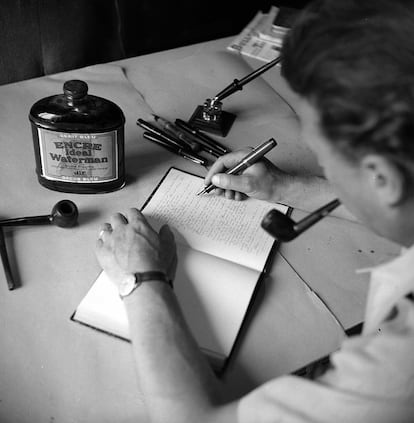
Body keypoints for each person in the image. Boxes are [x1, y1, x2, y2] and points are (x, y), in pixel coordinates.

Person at [95, 0, 414, 421]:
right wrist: (284, 187)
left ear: (381, 178)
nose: (319, 161)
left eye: (323, 156)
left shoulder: (398, 368)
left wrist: (141, 279)